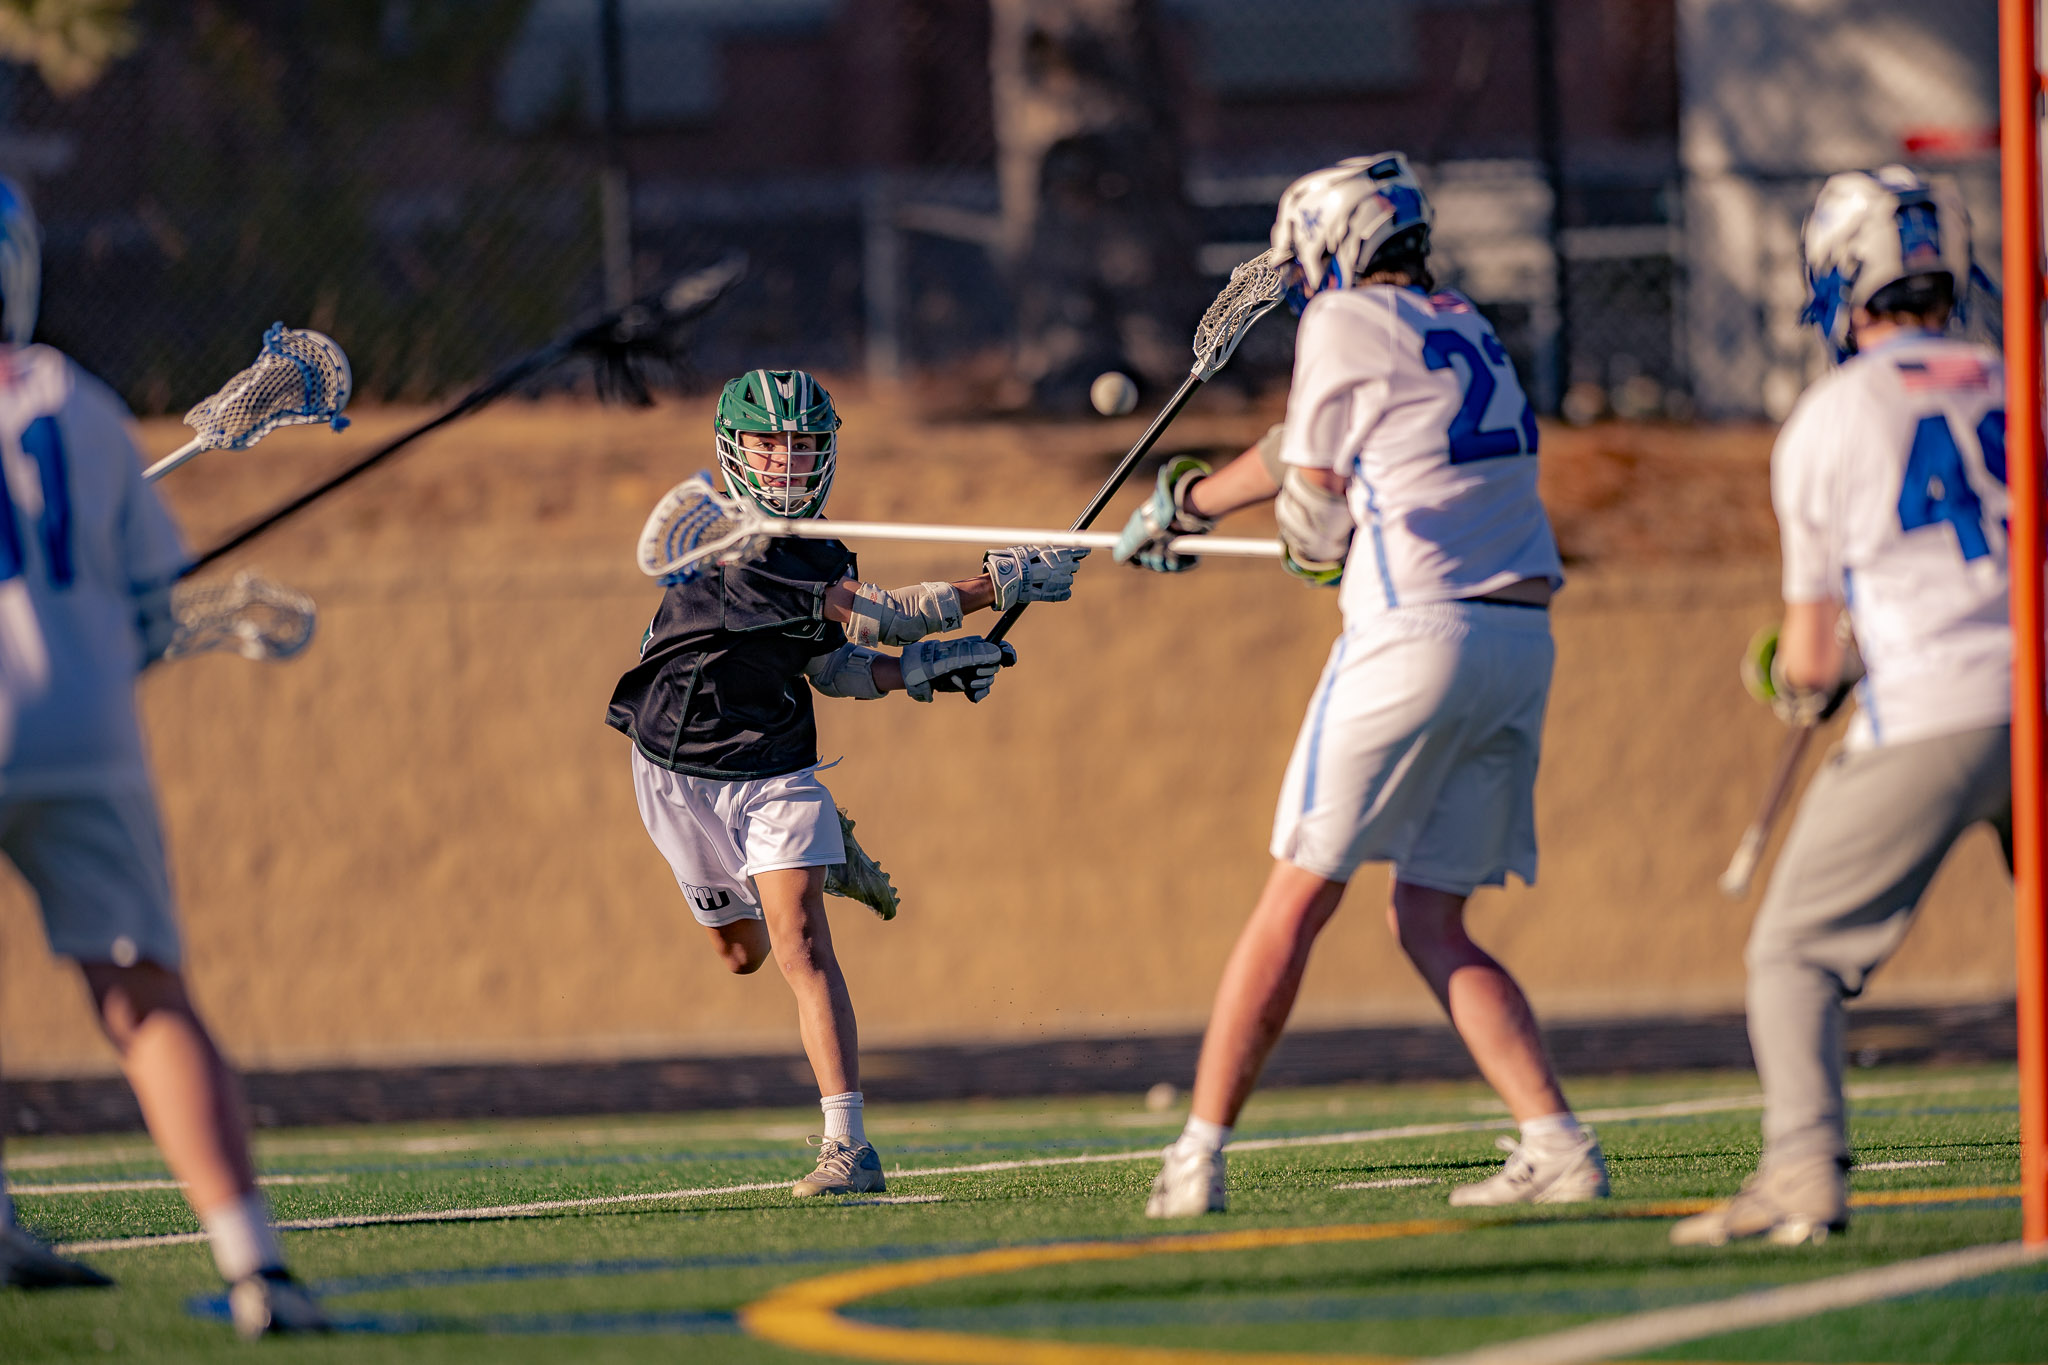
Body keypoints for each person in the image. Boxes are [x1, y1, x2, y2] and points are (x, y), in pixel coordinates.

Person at [1116, 154, 1607, 1217]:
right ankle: (1554, 1141)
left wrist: (1292, 532)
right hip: (1517, 639)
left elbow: (1316, 506)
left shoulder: (1337, 326)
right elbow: (1311, 445)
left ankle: (1195, 1157)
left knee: (1294, 896)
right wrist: (1190, 504)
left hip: (1411, 635)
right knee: (1429, 918)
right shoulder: (1460, 323)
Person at [607, 368, 1082, 1198]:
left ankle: (847, 1146)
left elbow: (836, 667)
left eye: (804, 446)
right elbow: (882, 613)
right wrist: (992, 585)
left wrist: (926, 670)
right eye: (770, 444)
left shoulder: (824, 548)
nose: (788, 463)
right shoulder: (726, 542)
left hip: (777, 764)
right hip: (675, 769)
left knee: (800, 944)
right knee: (741, 954)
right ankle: (834, 859)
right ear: (732, 451)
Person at [0, 178, 326, 1336]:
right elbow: (146, 613)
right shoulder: (76, 404)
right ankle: (258, 1271)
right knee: (142, 998)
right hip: (78, 726)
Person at [1672, 167, 2008, 1248]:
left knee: (1793, 956)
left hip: (1936, 709)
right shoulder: (2017, 381)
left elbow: (1810, 661)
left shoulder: (1827, 419)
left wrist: (1797, 678)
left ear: (1837, 280)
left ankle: (1801, 1174)